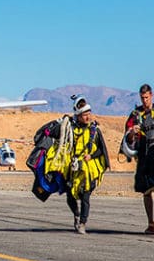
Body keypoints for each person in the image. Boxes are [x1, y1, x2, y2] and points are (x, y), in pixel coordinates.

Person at [43, 95, 109, 234]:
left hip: (88, 169)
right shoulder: (69, 129)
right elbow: (53, 133)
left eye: (88, 114)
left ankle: (83, 223)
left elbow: (101, 150)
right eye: (84, 114)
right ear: (78, 115)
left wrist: (91, 156)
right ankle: (77, 214)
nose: (87, 117)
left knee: (85, 196)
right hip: (72, 169)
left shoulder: (94, 131)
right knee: (70, 197)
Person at [124, 84, 154, 234]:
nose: (144, 100)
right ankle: (150, 222)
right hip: (143, 156)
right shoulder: (135, 114)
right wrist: (132, 132)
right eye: (142, 98)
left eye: (146, 97)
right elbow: (128, 137)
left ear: (151, 95)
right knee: (145, 190)